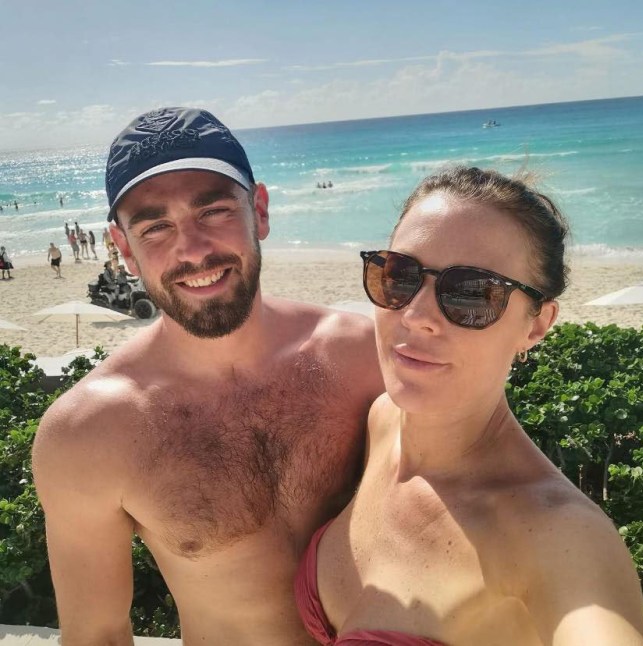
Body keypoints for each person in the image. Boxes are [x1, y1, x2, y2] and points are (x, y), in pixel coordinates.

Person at [32, 106, 384, 646]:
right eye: (156, 227)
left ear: (259, 211)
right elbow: (96, 634)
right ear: (124, 249)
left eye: (214, 211)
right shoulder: (88, 433)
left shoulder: (363, 355)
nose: (193, 250)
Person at [294, 166, 643, 646]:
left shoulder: (558, 535)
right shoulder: (383, 422)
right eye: (399, 276)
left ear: (537, 324)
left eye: (472, 293)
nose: (416, 315)